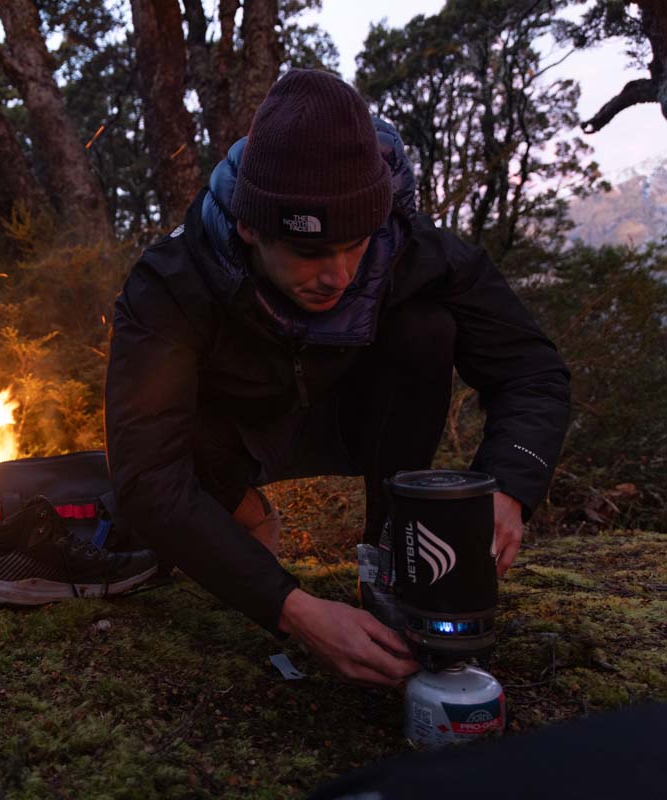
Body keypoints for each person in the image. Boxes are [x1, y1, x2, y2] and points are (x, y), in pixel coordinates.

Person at [104, 70, 570, 687]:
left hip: (356, 417)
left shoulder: (413, 249)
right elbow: (146, 479)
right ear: (250, 226)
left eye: (355, 244)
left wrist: (509, 484)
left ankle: (391, 560)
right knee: (171, 436)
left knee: (426, 327)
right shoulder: (171, 281)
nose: (340, 275)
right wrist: (292, 610)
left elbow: (533, 371)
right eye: (311, 253)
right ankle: (239, 507)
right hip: (230, 437)